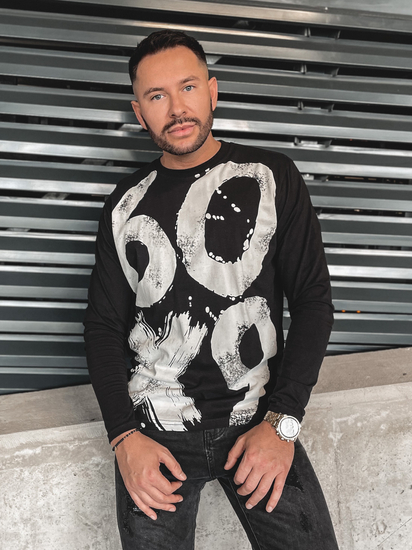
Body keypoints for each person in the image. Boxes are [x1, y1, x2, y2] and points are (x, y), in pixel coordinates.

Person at [84, 29, 339, 550]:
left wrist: (283, 423)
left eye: (188, 87)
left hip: (258, 422)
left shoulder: (272, 176)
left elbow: (313, 302)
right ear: (139, 112)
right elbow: (102, 326)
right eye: (157, 96)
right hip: (154, 433)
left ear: (213, 90)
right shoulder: (124, 204)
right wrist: (124, 438)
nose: (177, 108)